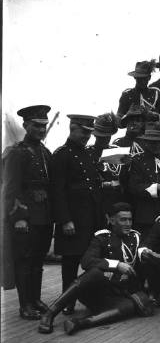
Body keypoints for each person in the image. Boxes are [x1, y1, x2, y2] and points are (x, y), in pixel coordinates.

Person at [38, 202, 154, 335]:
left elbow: (144, 249)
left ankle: (79, 323)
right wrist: (116, 265)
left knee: (129, 306)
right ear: (111, 220)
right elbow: (86, 261)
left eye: (130, 219)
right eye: (123, 220)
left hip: (118, 295)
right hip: (96, 292)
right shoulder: (102, 237)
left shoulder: (136, 237)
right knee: (94, 273)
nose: (128, 223)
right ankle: (49, 314)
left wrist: (146, 254)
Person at [2, 105, 53, 319]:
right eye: (36, 126)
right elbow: (11, 189)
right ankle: (25, 305)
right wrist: (18, 218)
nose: (41, 130)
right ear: (25, 126)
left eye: (44, 126)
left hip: (44, 216)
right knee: (24, 261)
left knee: (38, 261)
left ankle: (35, 299)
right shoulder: (16, 153)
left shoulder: (45, 152)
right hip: (26, 217)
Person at [51, 114, 102, 315]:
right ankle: (67, 301)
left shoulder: (88, 154)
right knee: (70, 264)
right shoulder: (61, 155)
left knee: (92, 260)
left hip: (91, 218)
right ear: (72, 129)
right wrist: (65, 220)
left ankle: (91, 298)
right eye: (83, 132)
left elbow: (94, 187)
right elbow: (57, 191)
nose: (87, 137)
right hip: (73, 220)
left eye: (89, 133)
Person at [127, 122, 160, 238]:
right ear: (145, 142)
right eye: (152, 142)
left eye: (158, 142)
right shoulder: (137, 160)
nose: (156, 145)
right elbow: (134, 187)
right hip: (147, 213)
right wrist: (156, 188)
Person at [87, 112, 128, 215]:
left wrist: (127, 165)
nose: (104, 139)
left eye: (107, 136)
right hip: (95, 202)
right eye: (101, 136)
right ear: (95, 135)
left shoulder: (119, 151)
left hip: (117, 202)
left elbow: (126, 177)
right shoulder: (87, 152)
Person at [117, 60, 160, 127]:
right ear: (135, 77)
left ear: (149, 77)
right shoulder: (127, 95)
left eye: (144, 78)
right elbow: (118, 123)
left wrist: (153, 115)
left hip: (153, 135)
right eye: (139, 78)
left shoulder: (156, 93)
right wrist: (128, 115)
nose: (142, 81)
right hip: (132, 135)